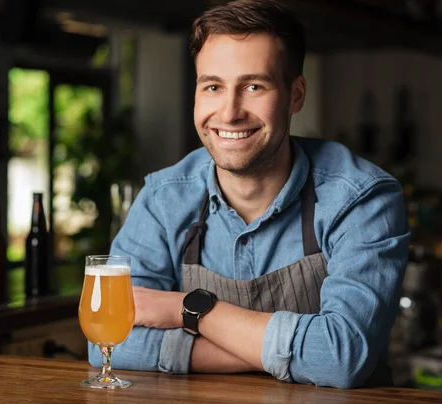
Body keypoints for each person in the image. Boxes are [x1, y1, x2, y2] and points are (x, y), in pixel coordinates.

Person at [89, 0, 410, 389]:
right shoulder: (164, 198)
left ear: (295, 95)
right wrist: (281, 356)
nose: (229, 113)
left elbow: (341, 357)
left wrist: (188, 310)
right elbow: (108, 341)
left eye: (254, 86)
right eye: (212, 87)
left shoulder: (362, 199)